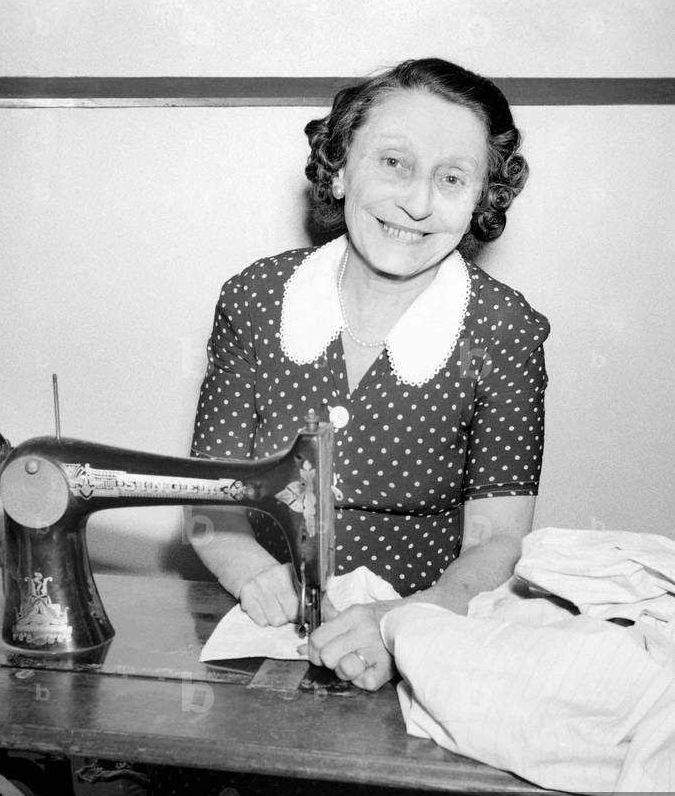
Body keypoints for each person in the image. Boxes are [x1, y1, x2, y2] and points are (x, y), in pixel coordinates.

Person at [190, 58, 549, 692]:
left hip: (422, 640)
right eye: (393, 163)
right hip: (260, 633)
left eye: (451, 178)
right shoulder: (255, 299)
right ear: (338, 170)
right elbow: (209, 503)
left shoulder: (505, 331)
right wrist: (252, 574)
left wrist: (399, 621)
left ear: (479, 202)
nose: (415, 201)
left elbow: (497, 542)